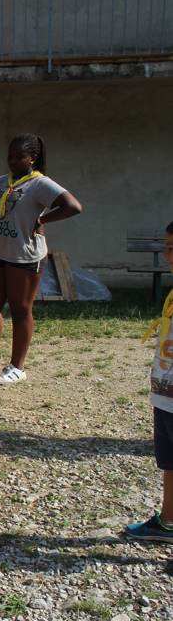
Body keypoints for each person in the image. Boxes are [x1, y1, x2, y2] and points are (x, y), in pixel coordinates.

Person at [0, 133, 82, 384]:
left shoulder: (40, 183)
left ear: (33, 158)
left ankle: (17, 367)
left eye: (19, 156)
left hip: (26, 257)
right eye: (10, 156)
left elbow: (73, 206)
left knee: (20, 309)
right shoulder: (1, 181)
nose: (12, 161)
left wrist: (42, 219)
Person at [126, 222, 173, 542]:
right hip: (165, 395)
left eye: (172, 248)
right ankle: (167, 522)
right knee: (169, 461)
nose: (167, 254)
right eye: (166, 247)